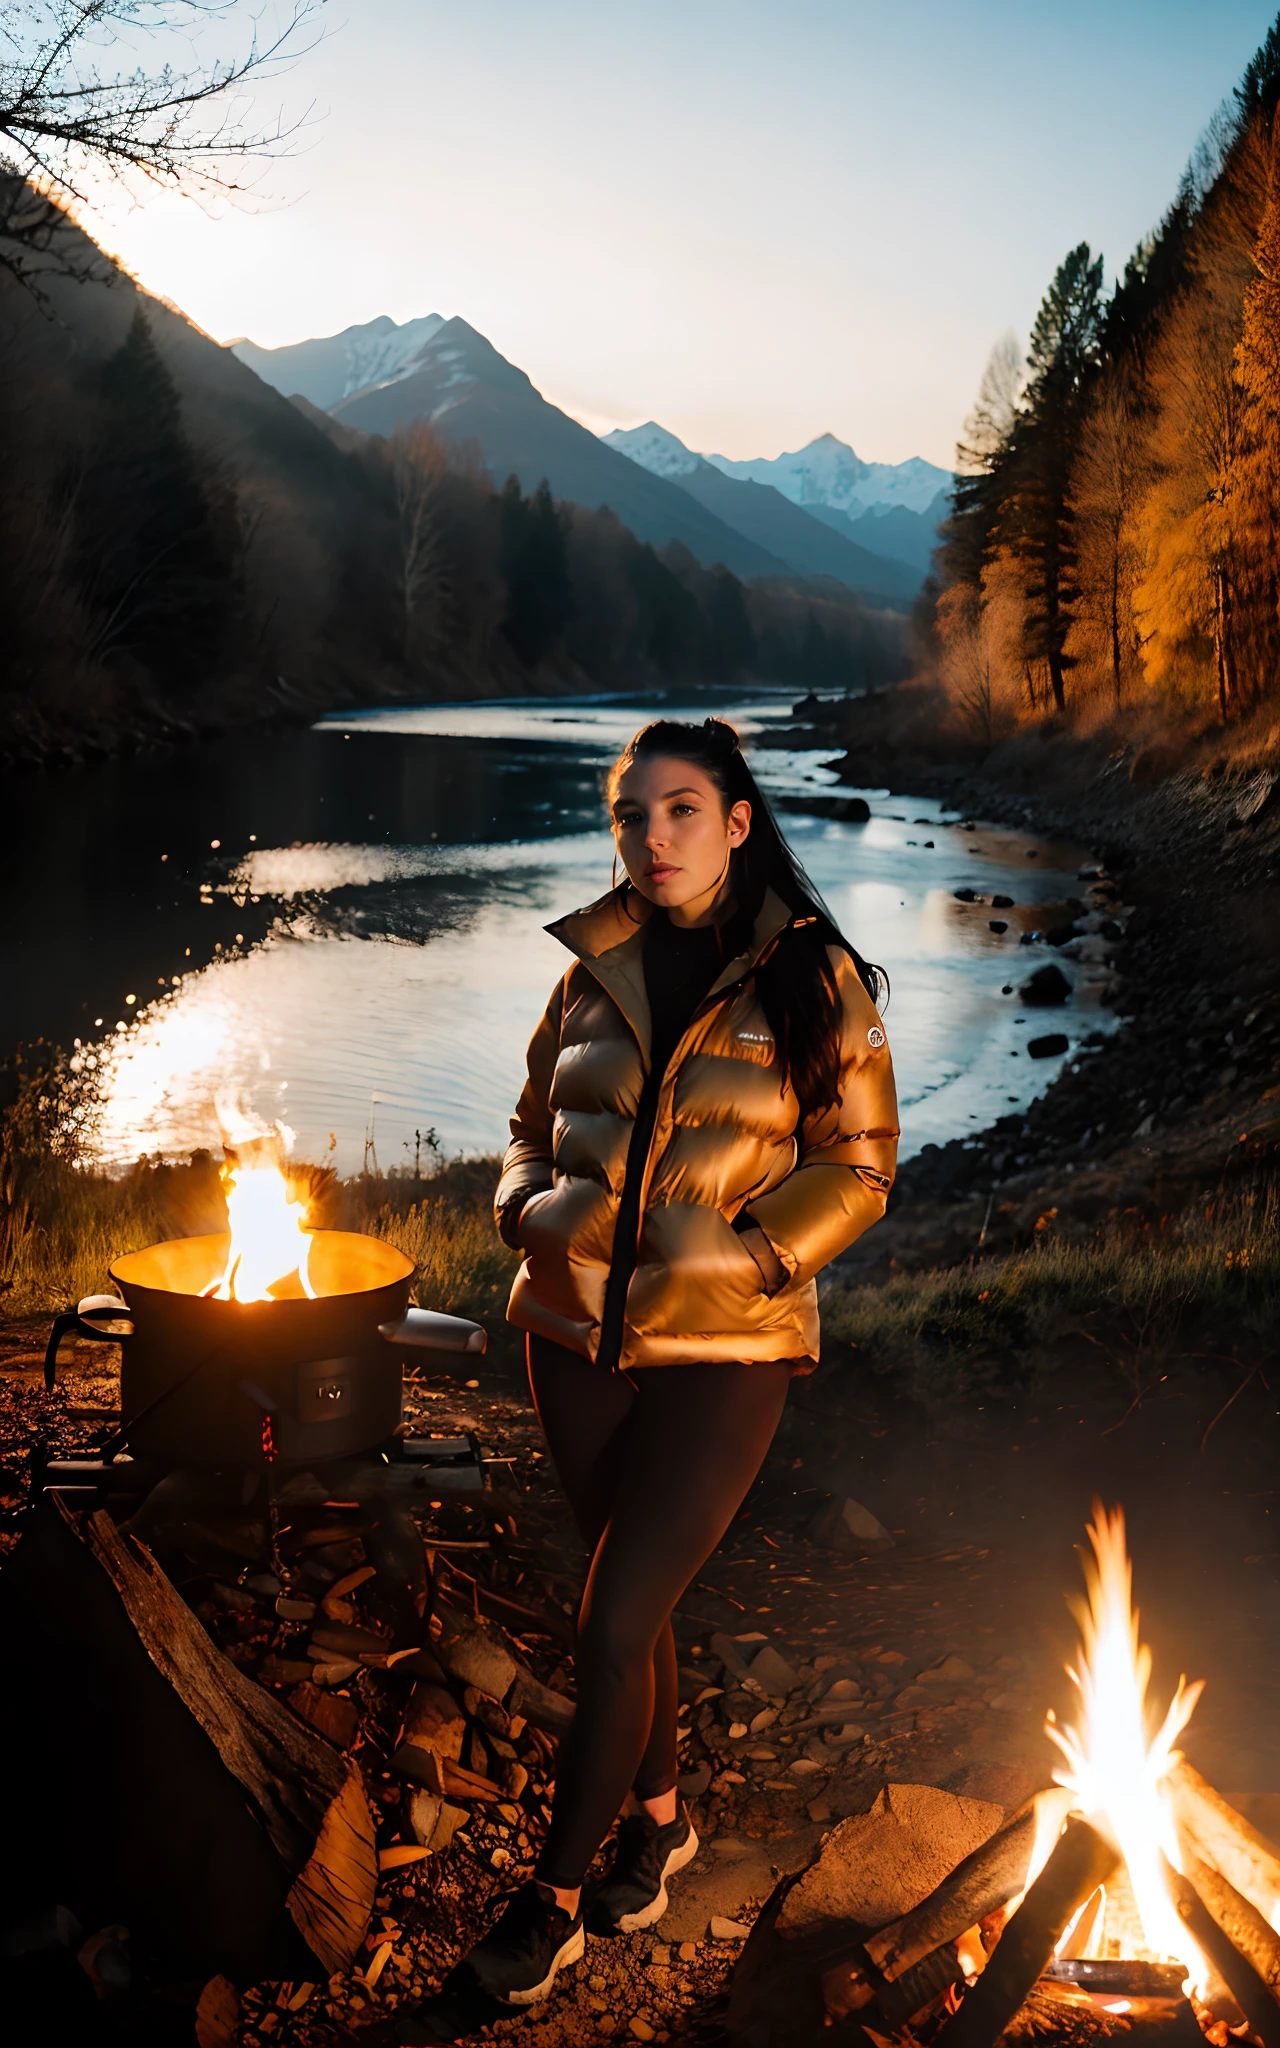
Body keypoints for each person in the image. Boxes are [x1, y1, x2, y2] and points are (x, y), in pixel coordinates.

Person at [437, 717, 898, 2015]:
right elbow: (531, 1126)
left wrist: (755, 1261)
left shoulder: (813, 977)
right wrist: (528, 1215)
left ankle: (551, 1909)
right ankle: (662, 1824)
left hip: (726, 1349)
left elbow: (860, 1165)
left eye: (684, 810)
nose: (655, 837)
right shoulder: (590, 966)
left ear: (738, 821)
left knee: (612, 1619)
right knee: (625, 1610)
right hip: (573, 1333)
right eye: (635, 814)